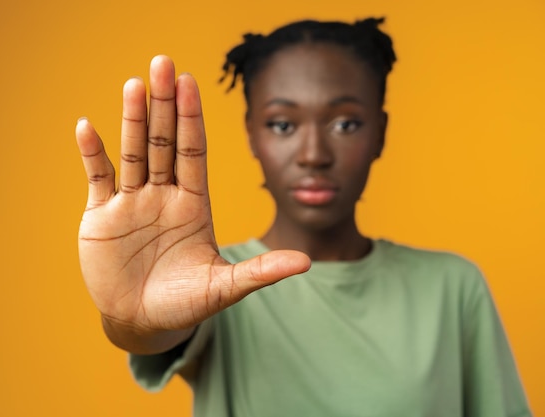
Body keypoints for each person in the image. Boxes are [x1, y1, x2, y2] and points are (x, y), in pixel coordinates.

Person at [75, 18, 531, 417]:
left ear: (381, 133)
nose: (313, 155)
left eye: (345, 124)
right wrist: (132, 319)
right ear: (252, 134)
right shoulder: (213, 283)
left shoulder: (452, 288)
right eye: (283, 125)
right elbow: (152, 334)